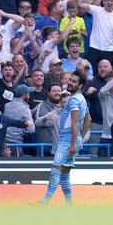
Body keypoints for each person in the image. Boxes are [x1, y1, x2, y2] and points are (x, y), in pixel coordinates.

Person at [38, 72, 90, 205]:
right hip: (73, 139)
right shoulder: (82, 99)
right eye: (70, 80)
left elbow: (74, 122)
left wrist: (73, 143)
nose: (70, 83)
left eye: (74, 81)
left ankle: (44, 202)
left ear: (81, 85)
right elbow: (88, 119)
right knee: (65, 175)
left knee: (55, 171)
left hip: (67, 140)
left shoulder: (73, 100)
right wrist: (81, 138)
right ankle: (69, 204)